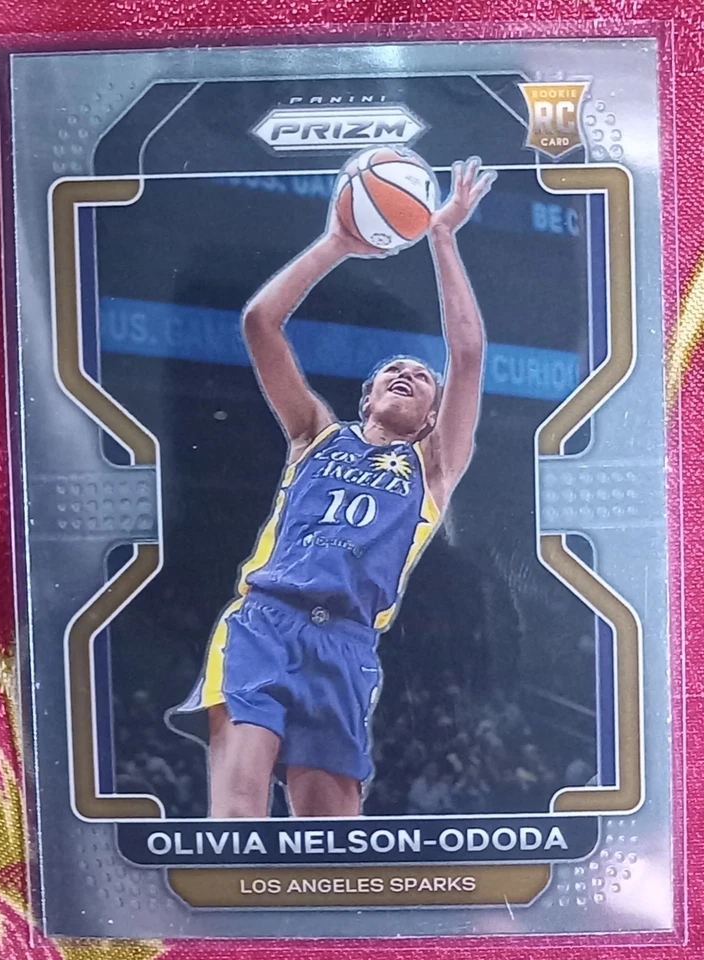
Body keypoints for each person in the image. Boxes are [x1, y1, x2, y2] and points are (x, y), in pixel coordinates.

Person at [168, 156, 495, 819]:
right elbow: (261, 322)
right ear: (366, 397)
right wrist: (338, 242)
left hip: (346, 646)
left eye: (420, 378)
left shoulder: (433, 468)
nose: (407, 373)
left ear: (431, 417)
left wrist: (441, 235)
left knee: (332, 843)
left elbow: (466, 354)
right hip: (264, 625)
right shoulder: (313, 435)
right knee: (237, 820)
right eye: (392, 371)